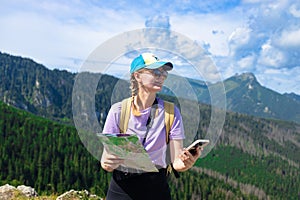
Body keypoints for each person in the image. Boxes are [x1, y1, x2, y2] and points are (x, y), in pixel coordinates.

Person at [100, 52, 202, 200]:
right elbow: (106, 159)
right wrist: (107, 162)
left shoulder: (171, 112)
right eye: (155, 72)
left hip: (156, 188)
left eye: (163, 73)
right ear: (137, 76)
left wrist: (186, 163)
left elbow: (176, 161)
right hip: (122, 189)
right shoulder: (118, 111)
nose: (161, 76)